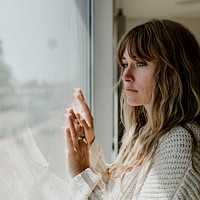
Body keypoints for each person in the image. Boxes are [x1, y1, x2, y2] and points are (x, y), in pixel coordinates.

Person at [65, 19, 200, 199]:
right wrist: (89, 145)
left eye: (140, 63)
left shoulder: (180, 141)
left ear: (173, 71)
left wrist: (81, 174)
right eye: (125, 64)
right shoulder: (142, 133)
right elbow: (117, 192)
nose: (126, 76)